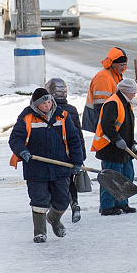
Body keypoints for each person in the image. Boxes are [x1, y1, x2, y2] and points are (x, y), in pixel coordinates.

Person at [9, 88, 84, 243]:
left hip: (60, 166)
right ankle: (40, 232)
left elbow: (74, 139)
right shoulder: (27, 118)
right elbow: (15, 138)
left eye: (49, 102)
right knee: (39, 200)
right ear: (37, 104)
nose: (47, 105)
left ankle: (54, 219)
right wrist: (22, 151)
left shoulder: (62, 116)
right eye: (44, 103)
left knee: (63, 200)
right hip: (36, 168)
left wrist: (77, 161)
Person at [91, 77, 137, 216]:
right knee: (112, 177)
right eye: (133, 92)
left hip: (124, 148)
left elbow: (126, 126)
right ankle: (107, 206)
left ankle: (122, 203)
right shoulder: (113, 103)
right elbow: (107, 126)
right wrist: (117, 140)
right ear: (126, 92)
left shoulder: (125, 103)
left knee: (126, 175)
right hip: (110, 148)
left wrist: (132, 143)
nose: (134, 95)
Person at [45, 77, 85, 223]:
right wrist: (81, 155)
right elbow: (78, 135)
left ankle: (53, 208)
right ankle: (74, 203)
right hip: (71, 154)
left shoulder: (48, 111)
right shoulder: (72, 110)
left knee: (55, 182)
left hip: (54, 155)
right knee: (70, 180)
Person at [82, 47, 128, 133]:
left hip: (107, 122)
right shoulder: (103, 78)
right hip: (98, 123)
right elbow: (101, 107)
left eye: (125, 65)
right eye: (122, 65)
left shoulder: (116, 75)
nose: (124, 68)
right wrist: (109, 128)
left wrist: (134, 86)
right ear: (113, 63)